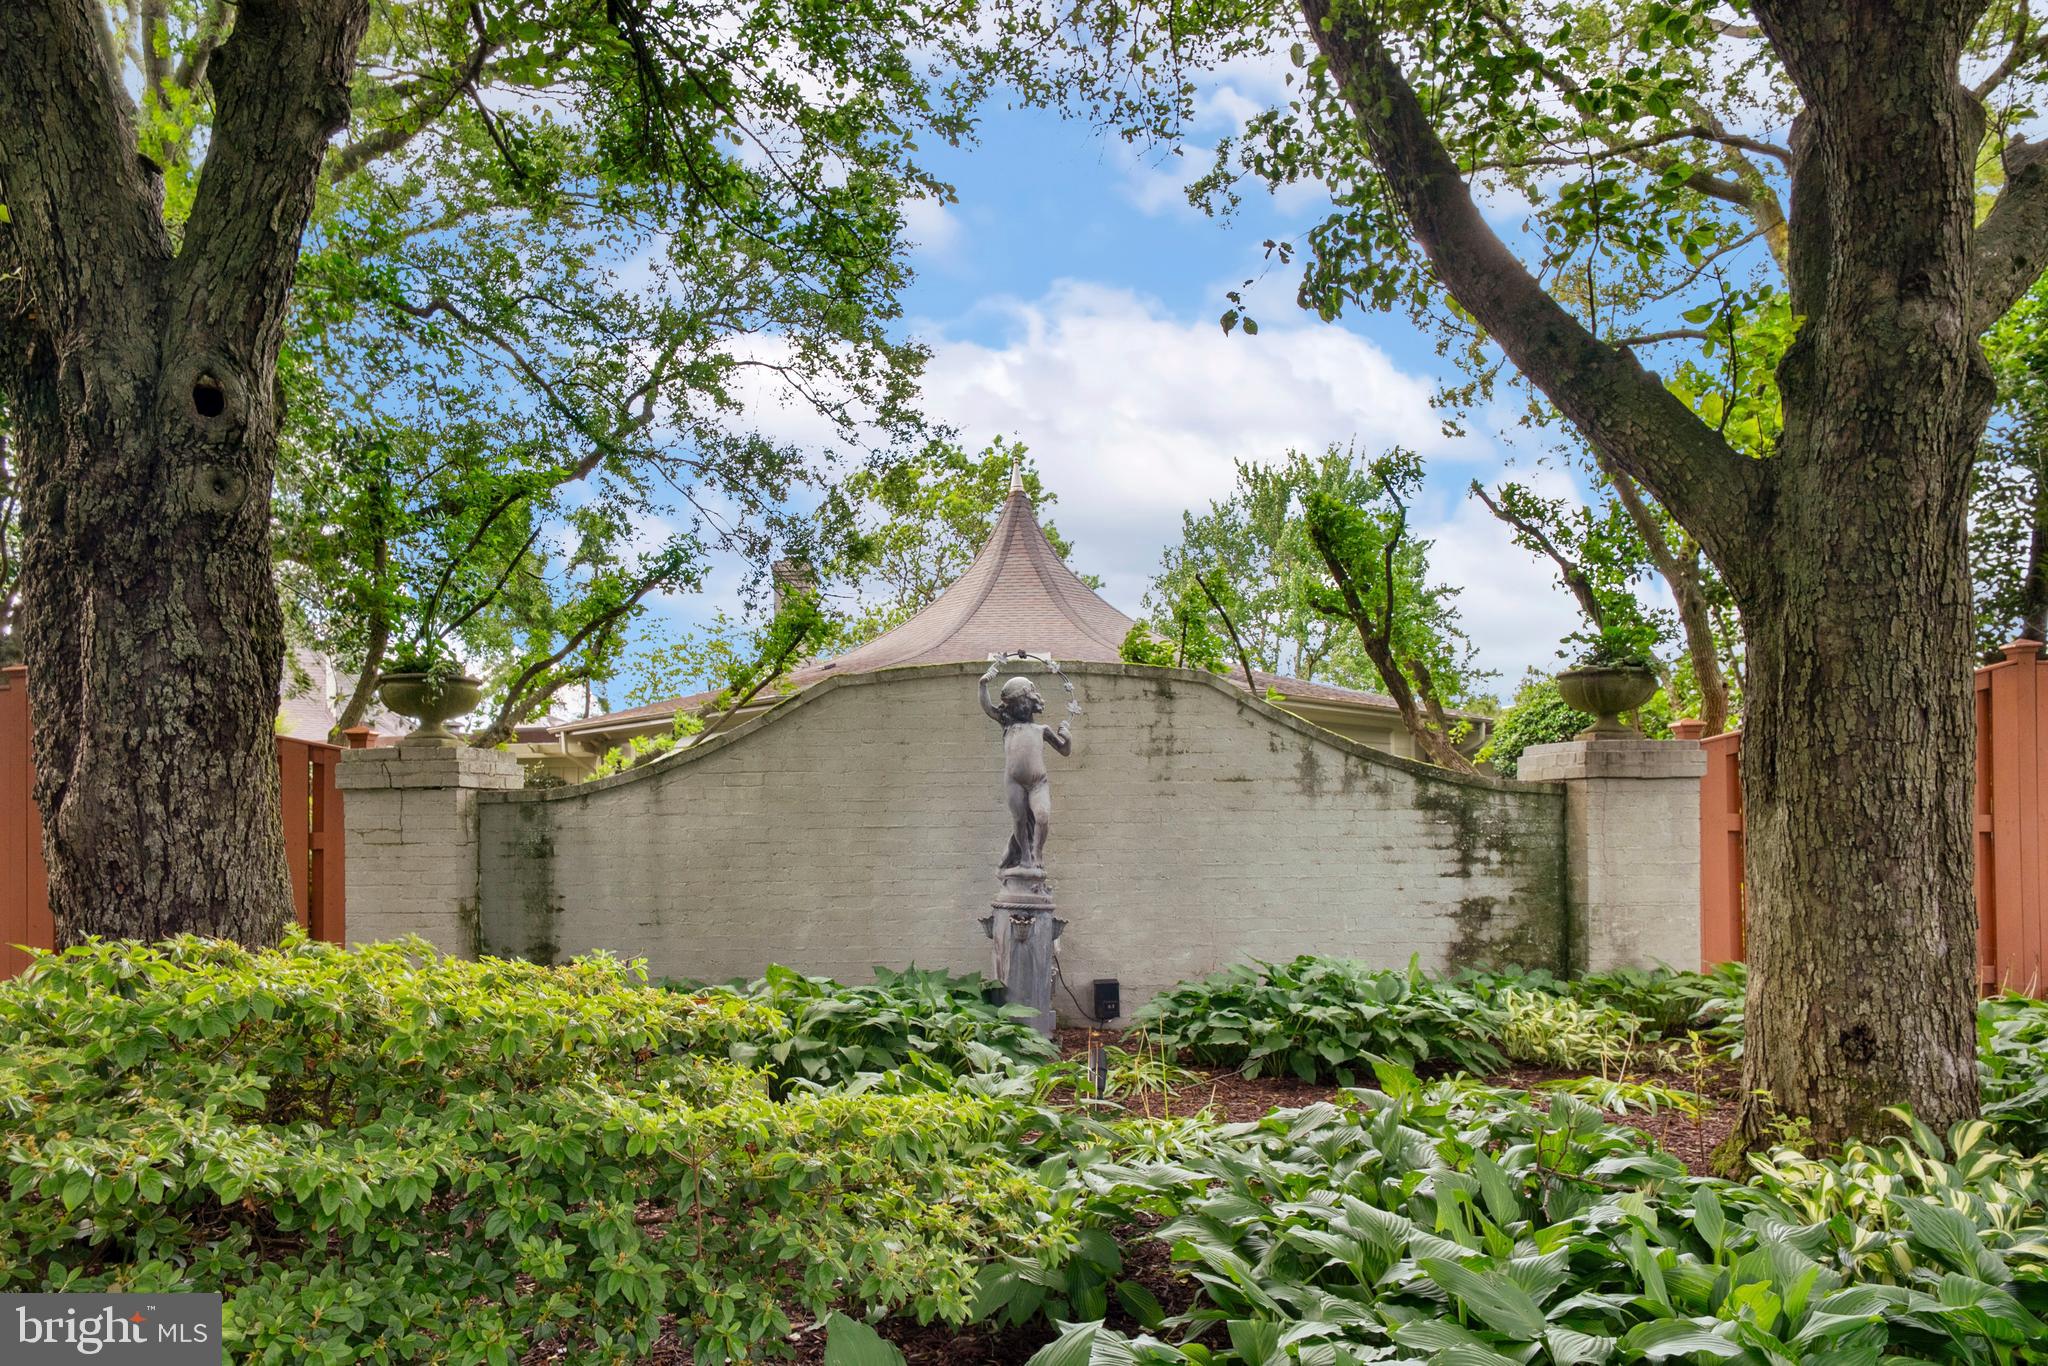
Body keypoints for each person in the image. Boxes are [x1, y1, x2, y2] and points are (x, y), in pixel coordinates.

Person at [979, 662, 1071, 871]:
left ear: (1033, 702)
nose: (1021, 708)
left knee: (1042, 816)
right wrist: (983, 684)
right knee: (1020, 820)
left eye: (1024, 703)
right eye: (1016, 704)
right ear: (1009, 707)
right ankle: (1026, 859)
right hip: (1014, 782)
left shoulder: (1042, 729)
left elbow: (1064, 750)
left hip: (1039, 782)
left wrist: (1068, 737)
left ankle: (1038, 852)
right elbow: (987, 707)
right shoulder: (1007, 724)